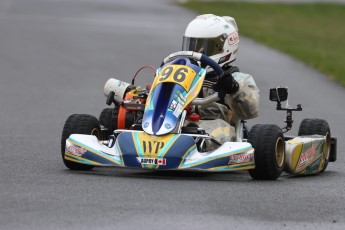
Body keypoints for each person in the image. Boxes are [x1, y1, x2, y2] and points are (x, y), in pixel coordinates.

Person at [182, 14, 260, 140]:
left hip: (218, 128)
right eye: (192, 45)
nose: (196, 52)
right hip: (181, 125)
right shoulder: (185, 75)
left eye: (204, 47)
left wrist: (234, 89)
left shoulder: (238, 79)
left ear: (224, 48)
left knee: (217, 132)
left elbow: (250, 111)